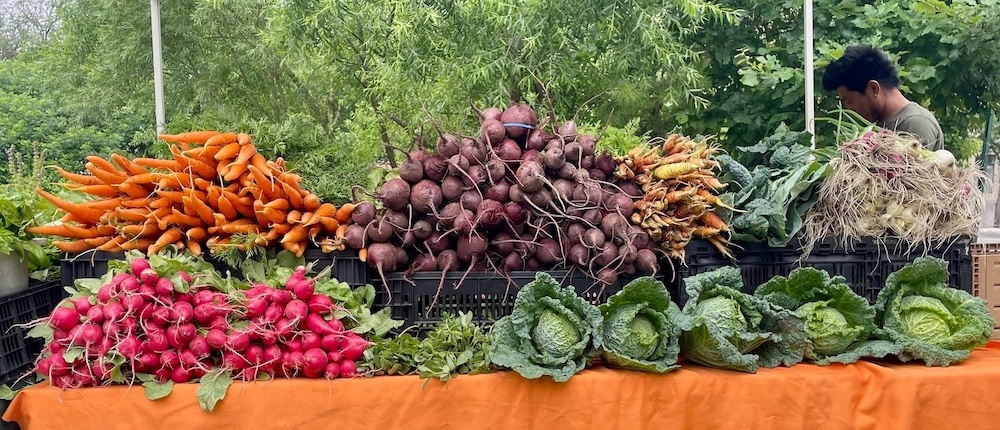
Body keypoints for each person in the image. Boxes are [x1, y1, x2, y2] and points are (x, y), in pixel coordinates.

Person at [822, 45, 944, 150]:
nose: (849, 108)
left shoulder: (915, 123)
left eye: (849, 100)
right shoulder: (878, 126)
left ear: (874, 89)